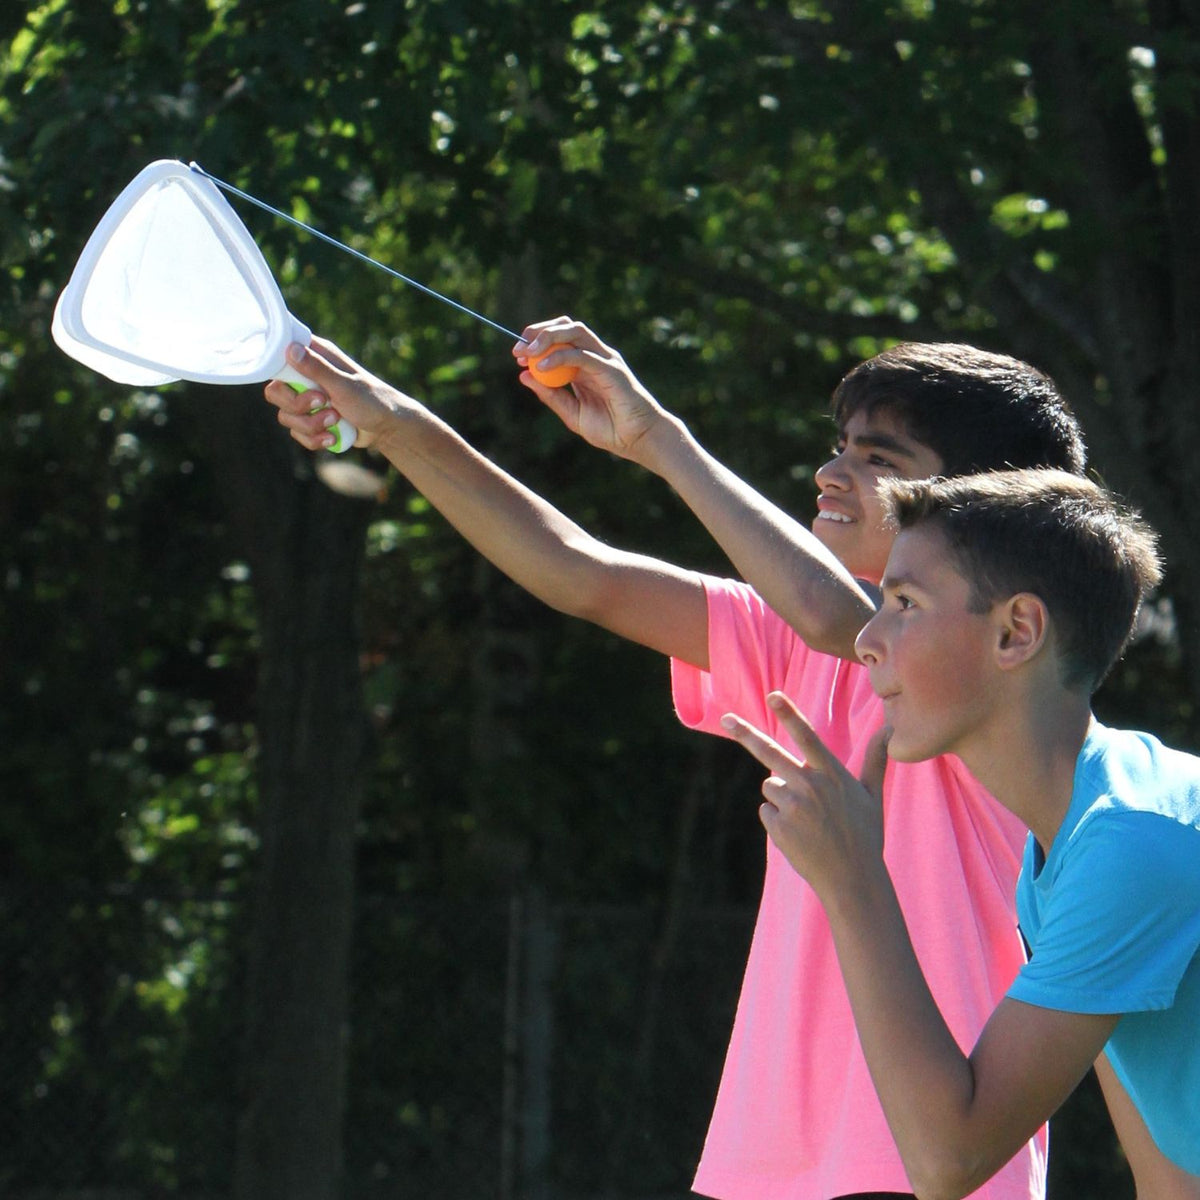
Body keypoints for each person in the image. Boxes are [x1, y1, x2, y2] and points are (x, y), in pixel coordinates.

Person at [263, 319, 1087, 1199]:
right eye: (839, 447)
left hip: (931, 1178)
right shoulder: (805, 637)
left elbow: (823, 608)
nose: (831, 472)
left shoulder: (1004, 675)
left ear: (989, 515)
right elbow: (581, 572)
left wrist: (657, 436)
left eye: (879, 460)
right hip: (757, 1172)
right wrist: (390, 422)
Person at [722, 469, 1200, 1198]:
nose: (868, 638)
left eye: (904, 603)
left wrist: (854, 878)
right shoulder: (1072, 853)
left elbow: (948, 1161)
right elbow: (1170, 1174)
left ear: (1017, 633)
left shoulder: (1131, 844)